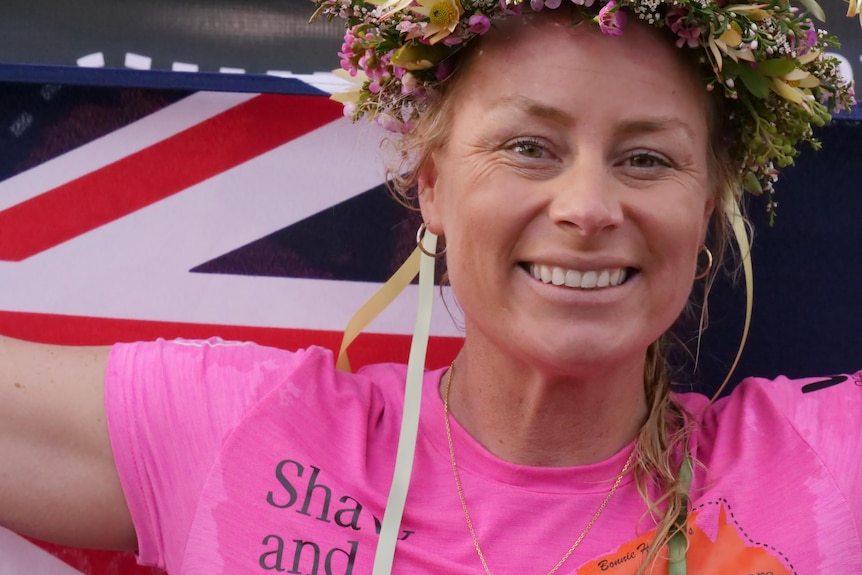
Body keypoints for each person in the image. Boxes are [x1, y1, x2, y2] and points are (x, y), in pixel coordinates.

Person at [1, 0, 860, 574]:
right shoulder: (244, 430)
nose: (589, 207)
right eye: (530, 146)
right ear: (435, 184)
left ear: (705, 205)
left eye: (648, 159)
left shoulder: (826, 464)